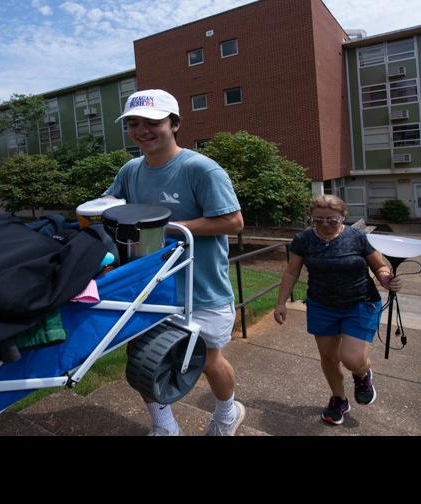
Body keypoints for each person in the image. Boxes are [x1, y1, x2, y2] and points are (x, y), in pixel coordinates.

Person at [103, 89, 246, 436]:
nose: (142, 131)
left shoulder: (201, 169)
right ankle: (165, 425)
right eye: (134, 124)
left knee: (210, 361)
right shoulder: (131, 169)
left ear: (175, 123)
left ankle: (227, 415)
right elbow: (111, 198)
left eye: (152, 122)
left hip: (202, 286)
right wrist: (100, 206)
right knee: (141, 359)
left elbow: (233, 221)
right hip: (151, 285)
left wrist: (164, 228)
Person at [273, 194, 402, 425]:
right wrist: (281, 302)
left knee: (352, 358)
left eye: (331, 220)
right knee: (329, 357)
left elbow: (380, 266)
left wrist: (386, 279)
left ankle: (362, 375)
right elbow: (291, 272)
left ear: (343, 217)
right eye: (318, 220)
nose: (324, 225)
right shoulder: (303, 240)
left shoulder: (358, 238)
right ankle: (339, 399)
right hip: (322, 305)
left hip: (360, 302)